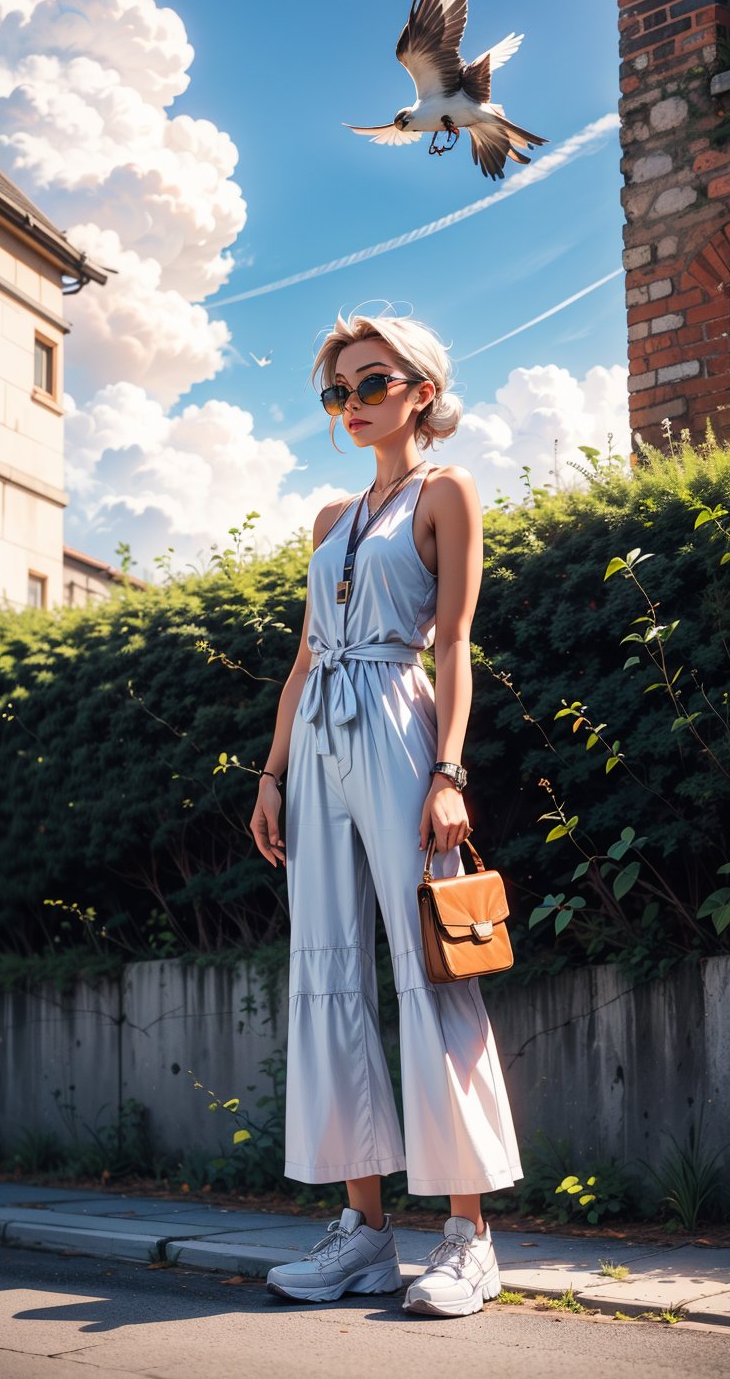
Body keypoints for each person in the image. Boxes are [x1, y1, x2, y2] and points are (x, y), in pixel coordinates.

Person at [250, 310, 522, 1318]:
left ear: (420, 388)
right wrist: (270, 774)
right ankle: (362, 1235)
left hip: (400, 725)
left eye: (370, 383)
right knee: (325, 969)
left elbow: (451, 644)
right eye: (338, 391)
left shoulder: (445, 492)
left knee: (430, 959)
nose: (352, 404)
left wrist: (448, 770)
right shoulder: (327, 520)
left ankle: (467, 1237)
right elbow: (304, 657)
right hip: (316, 738)